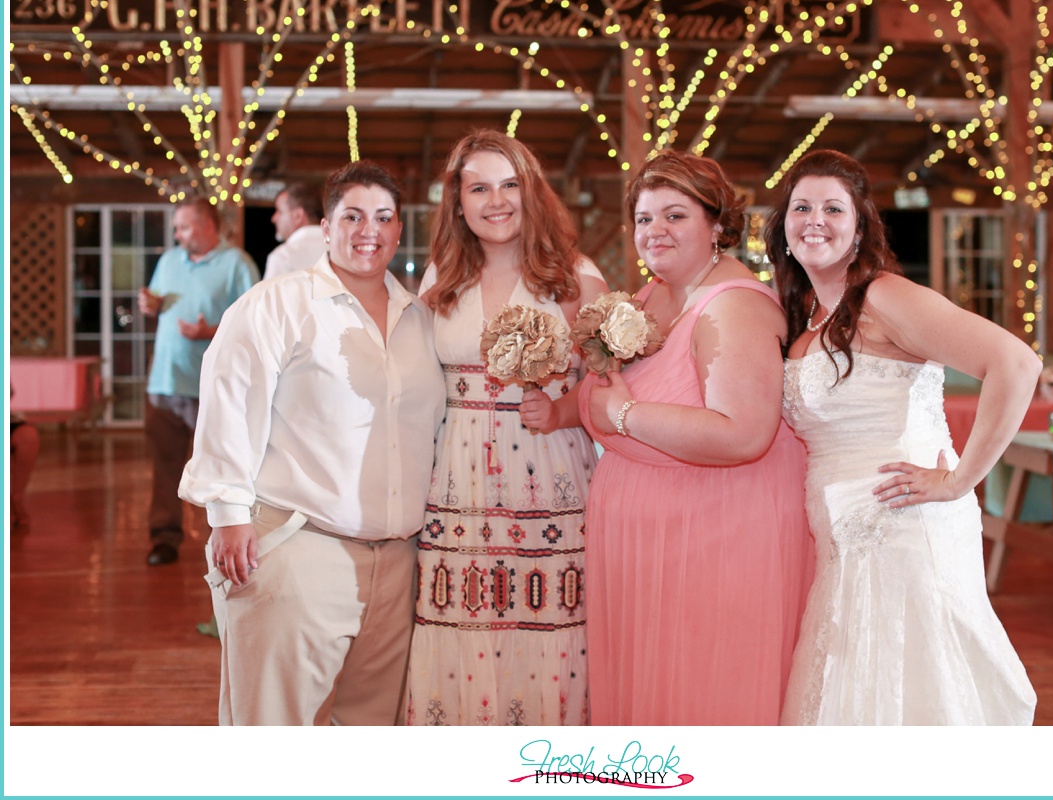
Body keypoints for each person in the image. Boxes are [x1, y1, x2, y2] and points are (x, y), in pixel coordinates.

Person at [766, 149, 1041, 726]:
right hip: (843, 538)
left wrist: (959, 480)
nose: (815, 219)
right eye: (802, 207)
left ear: (860, 227)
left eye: (833, 208)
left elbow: (1015, 364)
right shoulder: (808, 315)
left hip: (904, 522)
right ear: (783, 226)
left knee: (916, 686)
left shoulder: (883, 297)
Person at [179, 162, 445, 725]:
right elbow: (230, 399)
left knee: (370, 735)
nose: (366, 230)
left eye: (382, 217)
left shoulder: (420, 317)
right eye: (351, 215)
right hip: (300, 548)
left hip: (399, 560)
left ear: (399, 231)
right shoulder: (277, 304)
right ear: (324, 227)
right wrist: (227, 512)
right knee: (274, 731)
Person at [579, 152, 811, 725]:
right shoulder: (649, 296)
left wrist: (624, 414)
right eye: (644, 218)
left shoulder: (734, 307)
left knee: (699, 698)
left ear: (717, 226)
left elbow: (743, 433)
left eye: (675, 216)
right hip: (649, 543)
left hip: (712, 538)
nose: (654, 231)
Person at [405, 130, 608, 726]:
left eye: (510, 184)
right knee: (458, 621)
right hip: (456, 481)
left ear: (532, 191)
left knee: (550, 628)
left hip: (549, 476)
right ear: (459, 202)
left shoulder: (575, 278)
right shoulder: (440, 279)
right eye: (479, 187)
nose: (496, 200)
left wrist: (562, 407)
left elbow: (606, 384)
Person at [137, 198, 259, 567]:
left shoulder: (237, 264)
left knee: (223, 467)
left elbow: (254, 324)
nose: (177, 235)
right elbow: (160, 304)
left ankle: (228, 541)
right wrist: (151, 307)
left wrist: (209, 331)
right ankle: (164, 538)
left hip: (212, 387)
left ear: (208, 225)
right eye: (177, 228)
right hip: (165, 381)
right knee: (164, 465)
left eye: (184, 227)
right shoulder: (170, 261)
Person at [262, 183, 324, 280]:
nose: (274, 218)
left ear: (298, 216)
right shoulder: (341, 250)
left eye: (279, 211)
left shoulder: (283, 257)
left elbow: (269, 295)